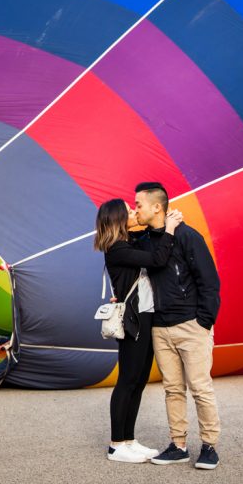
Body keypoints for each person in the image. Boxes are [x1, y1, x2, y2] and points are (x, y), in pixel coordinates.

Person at [131, 182, 222, 470]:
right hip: (160, 327)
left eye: (139, 204)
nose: (136, 209)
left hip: (191, 326)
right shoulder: (144, 241)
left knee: (200, 388)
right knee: (172, 389)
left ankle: (209, 446)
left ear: (157, 207)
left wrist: (203, 322)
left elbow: (209, 281)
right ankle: (178, 445)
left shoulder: (187, 236)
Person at [95, 198, 183, 464]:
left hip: (145, 317)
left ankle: (129, 440)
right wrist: (169, 228)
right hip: (133, 320)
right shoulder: (117, 247)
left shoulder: (128, 242)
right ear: (118, 218)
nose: (135, 213)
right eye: (130, 210)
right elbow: (157, 259)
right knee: (127, 382)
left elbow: (146, 240)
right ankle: (116, 446)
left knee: (139, 381)